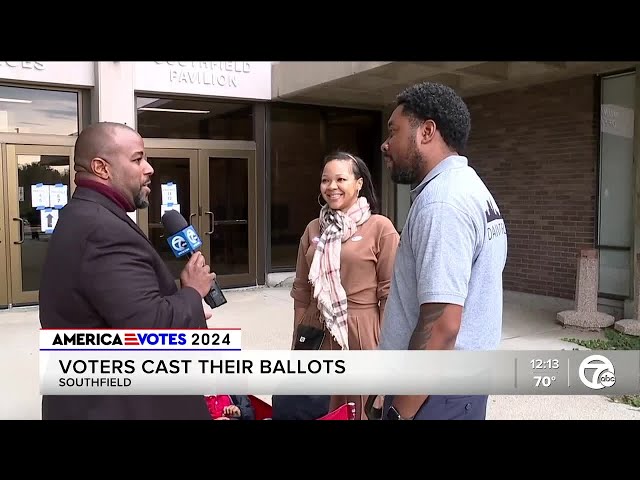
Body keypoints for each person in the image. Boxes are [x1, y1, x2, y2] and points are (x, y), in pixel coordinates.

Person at [39, 121, 216, 420]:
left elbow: (126, 309)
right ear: (101, 168)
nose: (149, 169)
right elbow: (149, 329)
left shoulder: (84, 213)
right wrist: (191, 293)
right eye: (137, 159)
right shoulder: (102, 230)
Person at [375, 81, 508, 420]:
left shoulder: (442, 203)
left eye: (394, 131)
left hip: (433, 396)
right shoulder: (471, 187)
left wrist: (398, 412)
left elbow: (442, 325)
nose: (385, 144)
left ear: (426, 132)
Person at [288, 151, 400, 420]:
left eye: (341, 179)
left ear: (359, 183)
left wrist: (387, 348)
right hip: (318, 330)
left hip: (362, 330)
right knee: (318, 407)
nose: (332, 187)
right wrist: (297, 338)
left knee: (359, 407)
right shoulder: (314, 229)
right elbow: (302, 290)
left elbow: (390, 294)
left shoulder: (380, 227)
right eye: (326, 180)